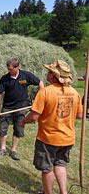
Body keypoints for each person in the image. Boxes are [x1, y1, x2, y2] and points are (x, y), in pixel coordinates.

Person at [19, 60, 82, 194]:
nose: (46, 74)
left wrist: (23, 121)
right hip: (67, 139)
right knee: (60, 164)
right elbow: (80, 115)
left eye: (49, 71)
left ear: (53, 76)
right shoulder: (74, 92)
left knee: (47, 168)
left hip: (48, 139)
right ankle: (63, 192)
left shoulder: (45, 92)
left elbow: (34, 117)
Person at [0, 58, 44, 160]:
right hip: (8, 107)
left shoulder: (26, 75)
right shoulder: (5, 79)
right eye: (8, 69)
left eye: (11, 69)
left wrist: (39, 100)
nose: (9, 71)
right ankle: (3, 149)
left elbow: (40, 83)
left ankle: (13, 150)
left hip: (22, 106)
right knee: (3, 127)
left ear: (17, 67)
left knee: (19, 127)